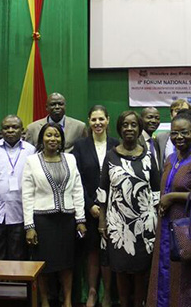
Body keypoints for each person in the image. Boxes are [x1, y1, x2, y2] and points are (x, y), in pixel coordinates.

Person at [147, 111, 191, 307]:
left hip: (190, 230)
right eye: (174, 133)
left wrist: (171, 198)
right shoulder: (170, 158)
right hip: (167, 228)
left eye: (184, 132)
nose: (179, 137)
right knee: (166, 277)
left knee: (189, 280)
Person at [98, 111, 160, 307]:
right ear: (119, 128)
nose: (129, 128)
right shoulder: (111, 156)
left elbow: (157, 193)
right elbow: (103, 194)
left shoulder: (149, 156)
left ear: (139, 128)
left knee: (141, 271)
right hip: (118, 226)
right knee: (121, 270)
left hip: (145, 226)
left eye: (133, 125)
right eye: (125, 125)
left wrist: (158, 224)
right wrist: (102, 223)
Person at [22, 122, 86, 307]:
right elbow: (27, 195)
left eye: (56, 135)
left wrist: (80, 219)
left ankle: (66, 300)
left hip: (66, 220)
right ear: (42, 138)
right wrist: (29, 227)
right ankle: (44, 300)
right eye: (49, 135)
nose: (53, 139)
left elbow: (77, 190)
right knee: (44, 264)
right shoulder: (32, 161)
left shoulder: (70, 159)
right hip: (42, 220)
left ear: (62, 139)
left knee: (67, 264)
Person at [73, 105, 119, 307]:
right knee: (91, 251)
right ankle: (92, 292)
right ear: (89, 122)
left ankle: (108, 293)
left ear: (108, 120)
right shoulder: (80, 146)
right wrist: (90, 204)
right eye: (94, 119)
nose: (98, 123)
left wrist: (108, 206)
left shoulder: (117, 145)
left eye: (101, 119)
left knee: (108, 251)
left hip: (115, 209)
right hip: (89, 209)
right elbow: (77, 180)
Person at [0, 115, 35, 260]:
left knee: (18, 258)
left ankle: (16, 284)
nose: (10, 130)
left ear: (22, 130)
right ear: (1, 131)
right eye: (6, 128)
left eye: (14, 127)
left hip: (21, 215)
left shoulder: (31, 151)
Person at [141, 107, 162, 171]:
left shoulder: (156, 143)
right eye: (149, 117)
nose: (154, 121)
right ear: (140, 119)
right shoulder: (135, 141)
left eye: (157, 118)